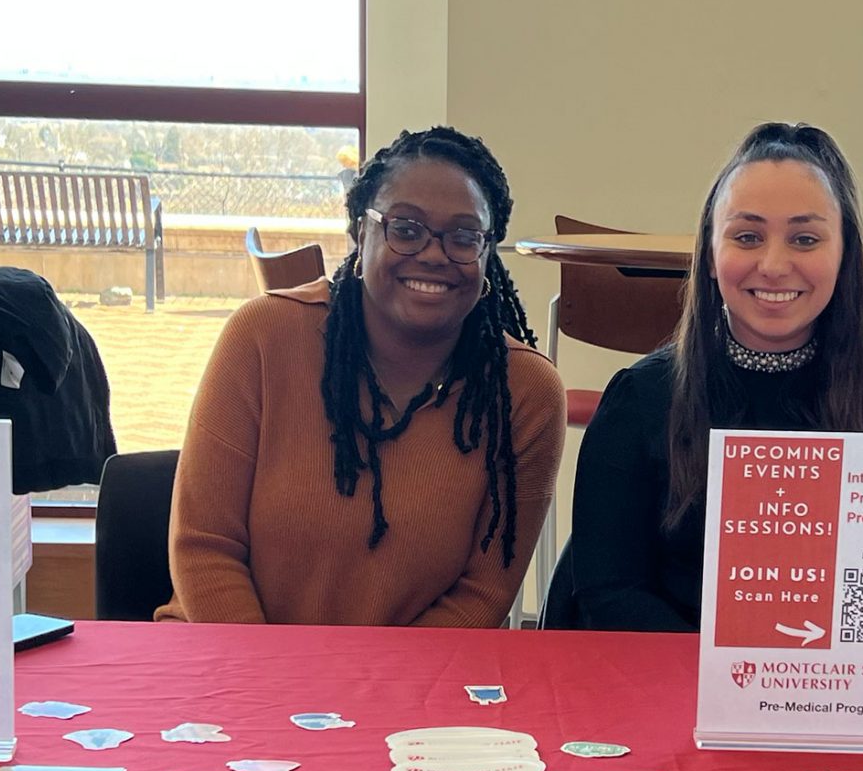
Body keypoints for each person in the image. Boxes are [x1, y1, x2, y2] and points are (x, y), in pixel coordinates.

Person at [557, 121, 863, 634]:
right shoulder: (640, 401)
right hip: (680, 688)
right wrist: (733, 669)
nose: (773, 264)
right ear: (708, 254)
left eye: (805, 238)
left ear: (846, 255)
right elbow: (609, 591)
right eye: (747, 236)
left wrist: (822, 655)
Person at [163, 126, 567, 626]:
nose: (435, 254)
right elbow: (204, 547)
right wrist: (276, 690)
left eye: (464, 236)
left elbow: (482, 594)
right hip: (232, 666)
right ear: (360, 229)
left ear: (487, 252)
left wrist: (377, 695)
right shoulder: (262, 337)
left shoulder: (524, 393)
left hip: (411, 686)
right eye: (406, 228)